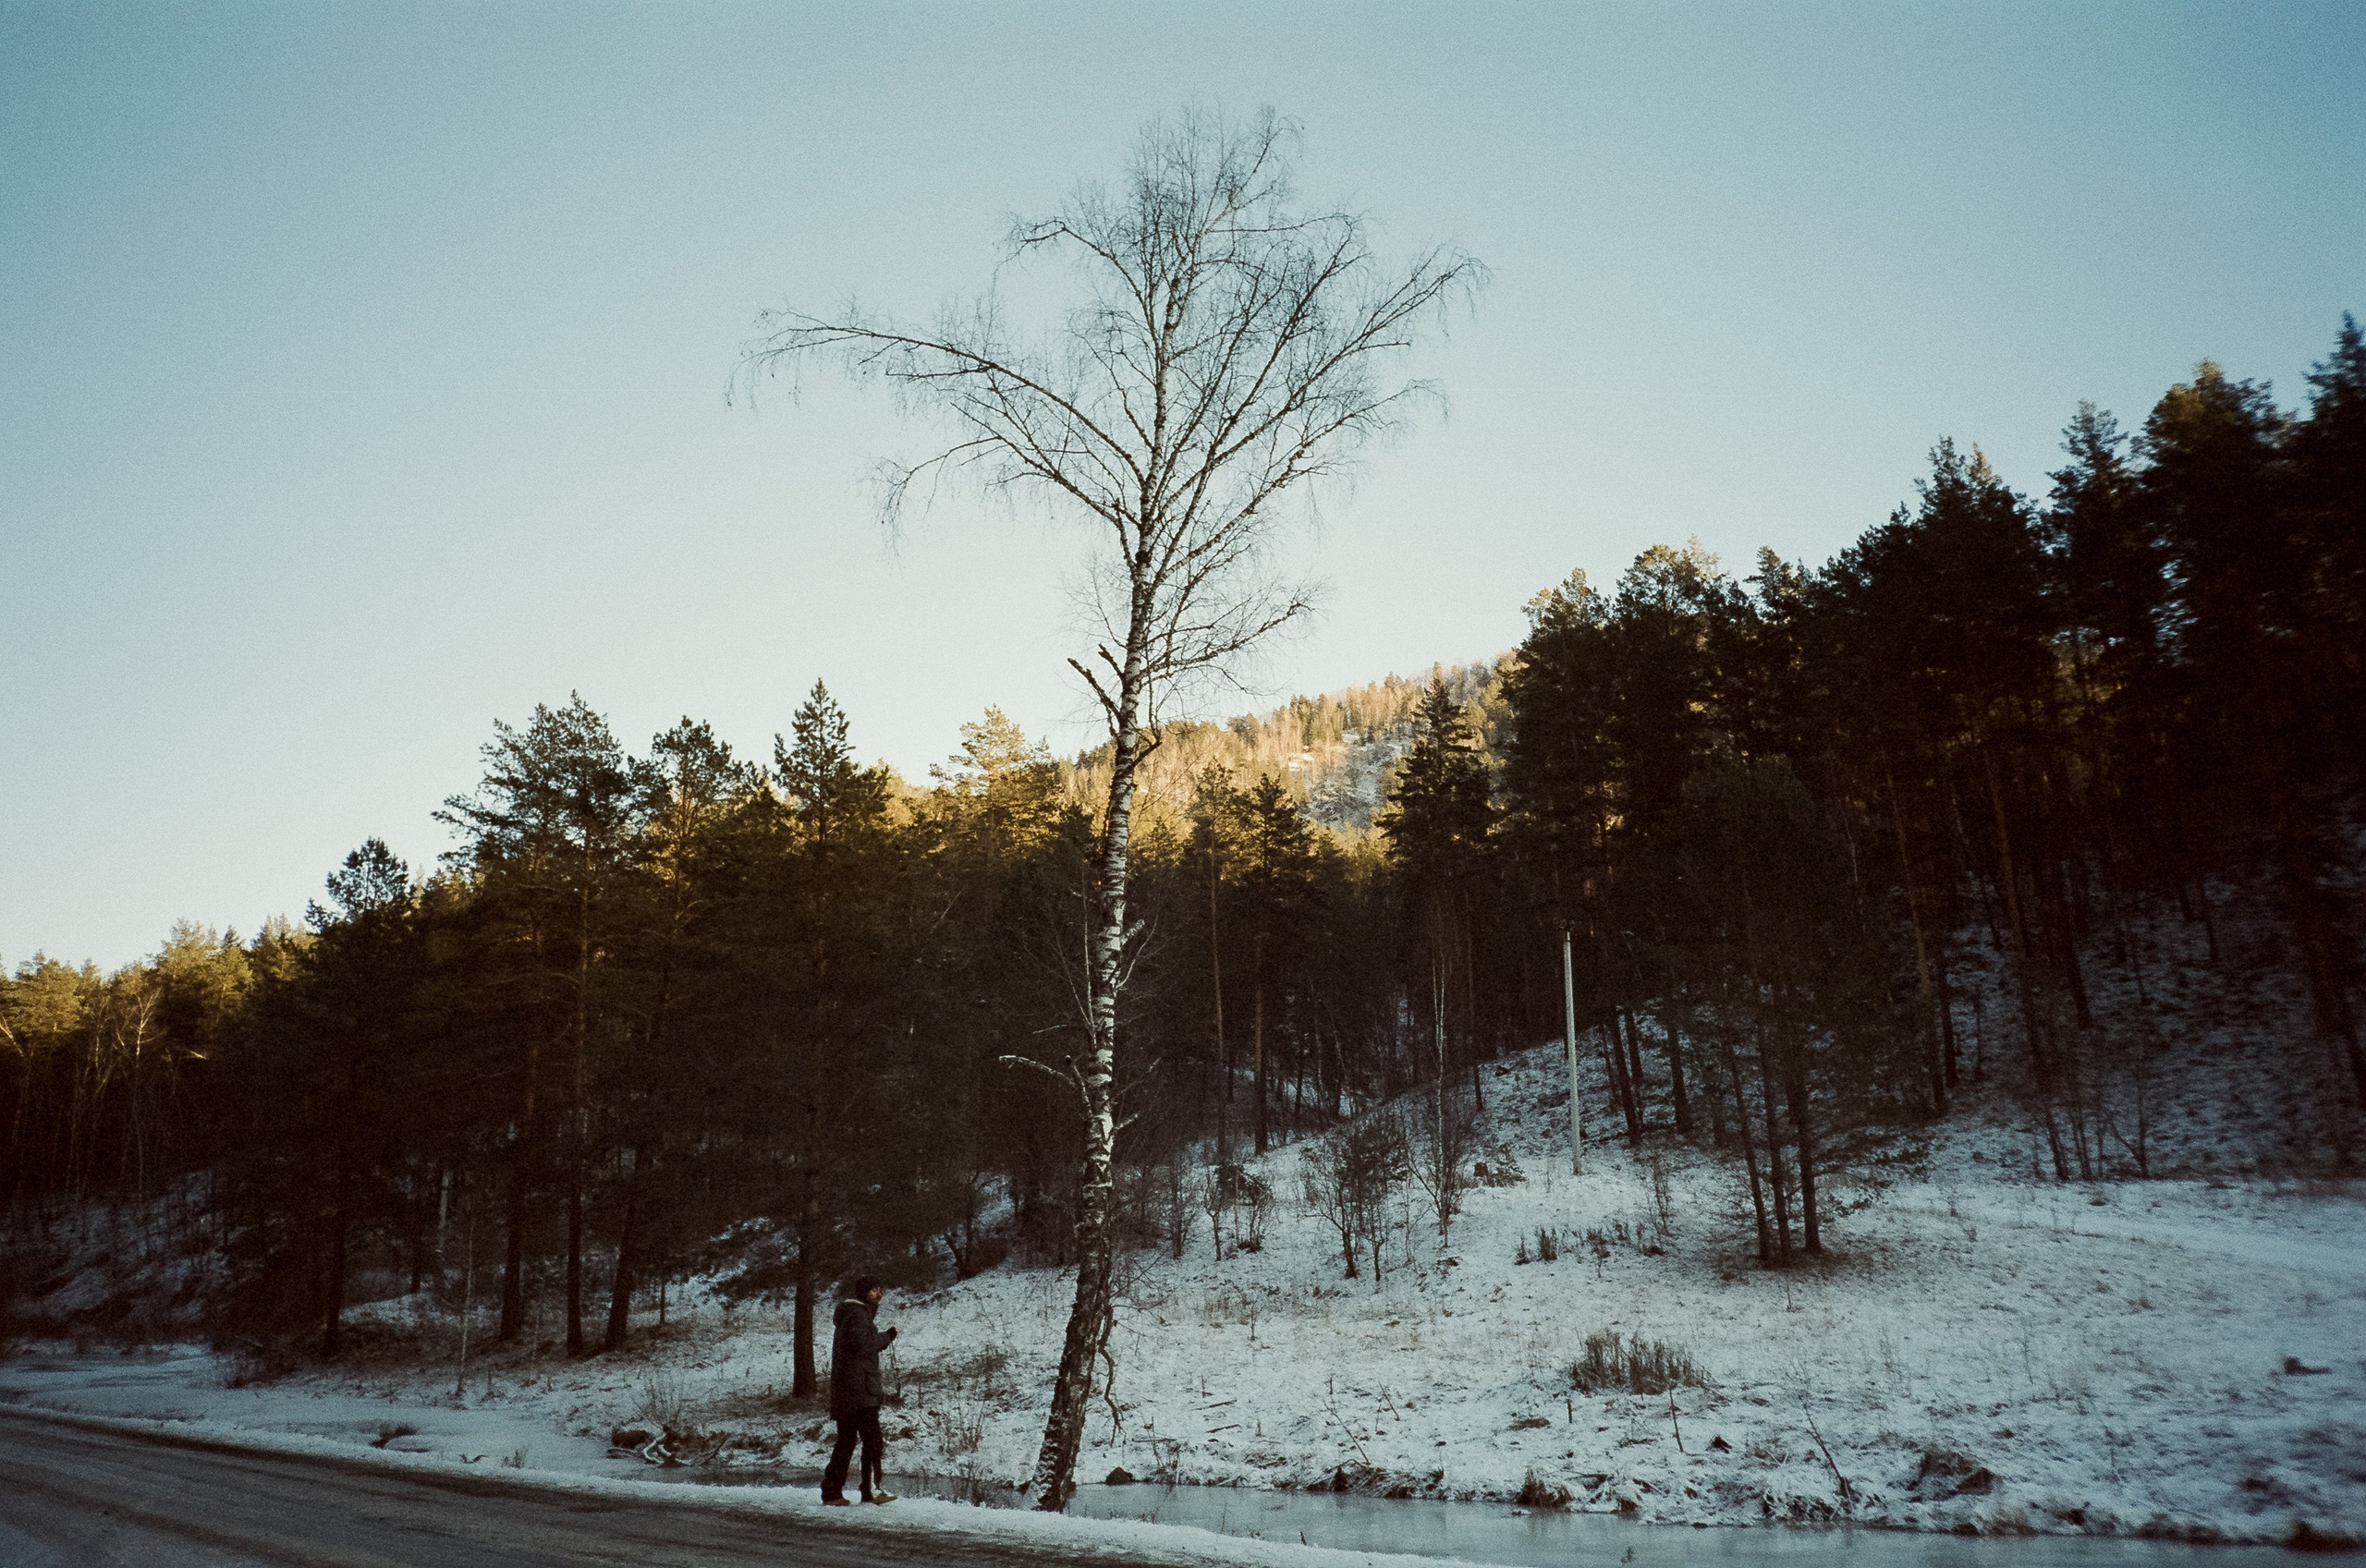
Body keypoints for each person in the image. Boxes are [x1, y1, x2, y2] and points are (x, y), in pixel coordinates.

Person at [821, 1274, 896, 1505]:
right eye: (875, 1290)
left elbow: (859, 1346)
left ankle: (832, 1492)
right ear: (864, 1293)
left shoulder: (853, 1315)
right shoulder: (857, 1315)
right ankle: (871, 1491)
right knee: (872, 1440)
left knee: (847, 1441)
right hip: (860, 1392)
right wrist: (887, 1337)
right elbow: (864, 1346)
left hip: (849, 1391)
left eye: (880, 1290)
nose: (879, 1295)